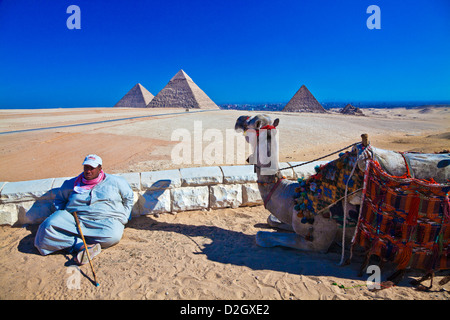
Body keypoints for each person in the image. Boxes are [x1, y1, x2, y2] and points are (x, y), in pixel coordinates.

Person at [34, 154, 134, 265]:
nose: (88, 171)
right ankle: (82, 245)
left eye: (92, 168)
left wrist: (125, 217)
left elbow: (128, 198)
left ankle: (72, 241)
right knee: (46, 228)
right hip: (76, 221)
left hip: (106, 220)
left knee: (113, 236)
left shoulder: (116, 181)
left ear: (100, 168)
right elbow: (60, 200)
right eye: (86, 167)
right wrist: (63, 215)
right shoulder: (71, 184)